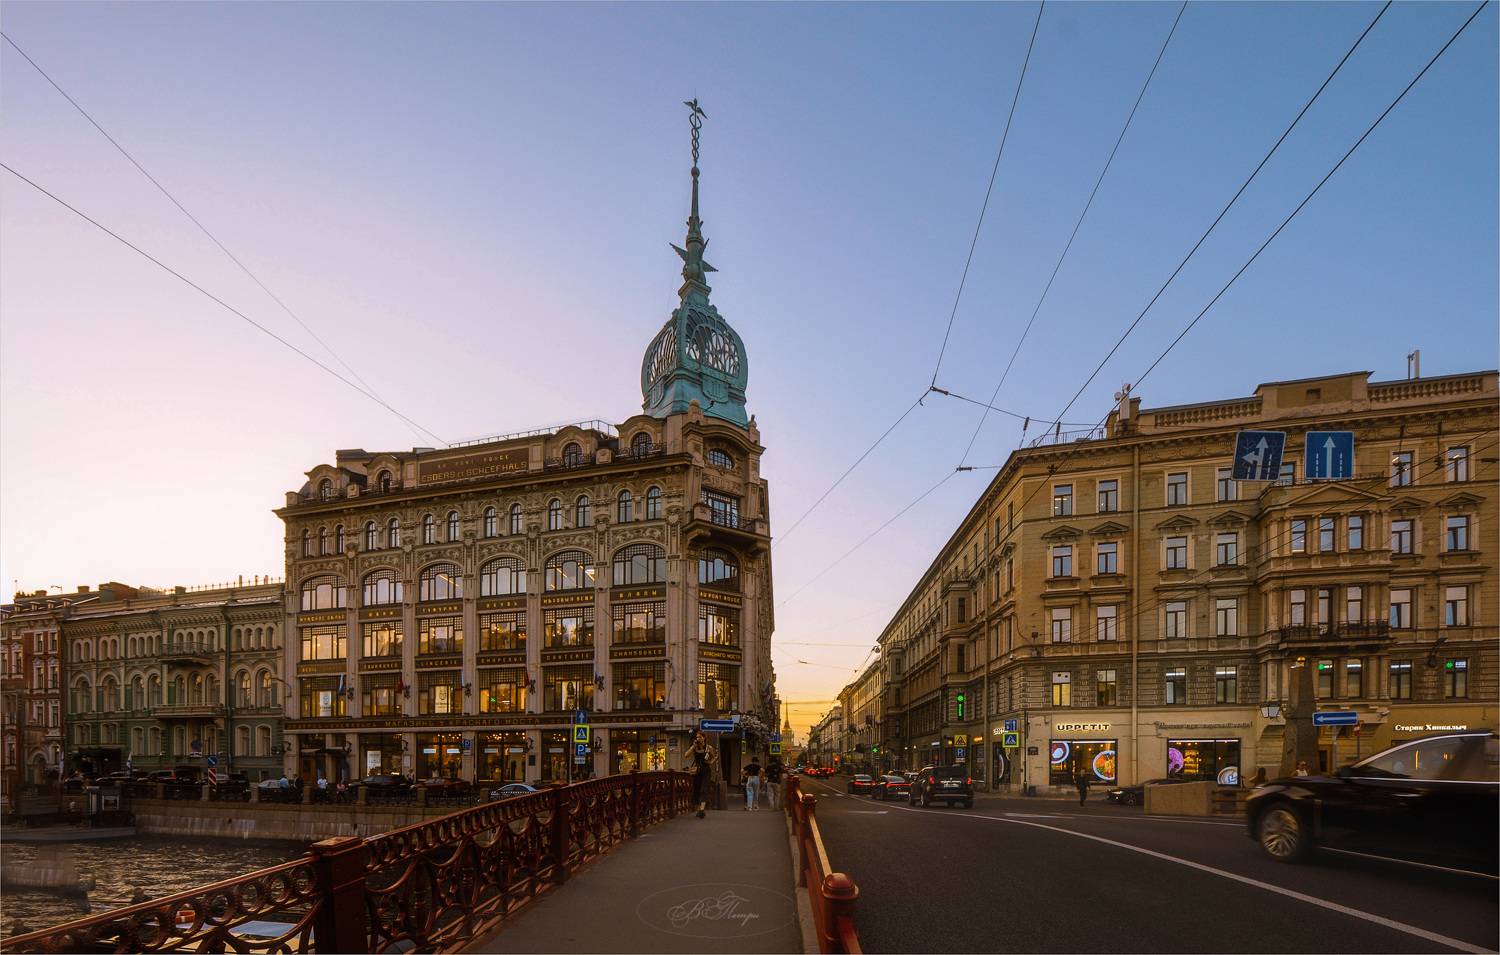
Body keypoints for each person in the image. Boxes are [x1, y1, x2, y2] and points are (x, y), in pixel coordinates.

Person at [688, 733, 713, 819]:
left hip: (706, 771)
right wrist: (692, 746)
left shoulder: (708, 748)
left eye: (700, 737)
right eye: (697, 737)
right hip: (697, 771)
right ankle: (699, 809)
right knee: (697, 789)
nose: (698, 738)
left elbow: (714, 757)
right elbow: (686, 755)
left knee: (704, 789)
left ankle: (702, 810)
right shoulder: (695, 747)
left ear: (704, 738)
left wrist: (710, 762)